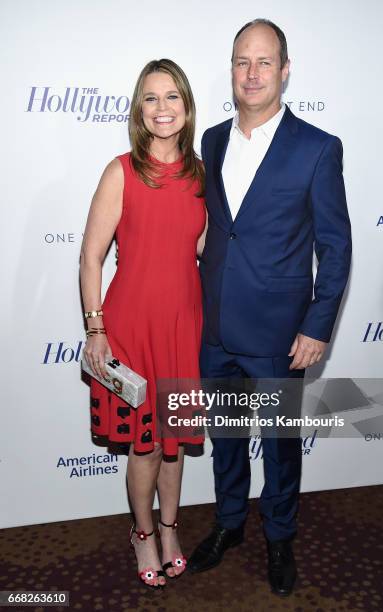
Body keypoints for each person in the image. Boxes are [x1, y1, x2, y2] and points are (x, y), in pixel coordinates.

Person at [188, 19, 352, 596]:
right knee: (227, 437)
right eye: (241, 62)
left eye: (264, 62)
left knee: (280, 446)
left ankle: (280, 537)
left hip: (282, 334)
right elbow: (216, 230)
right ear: (231, 70)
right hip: (216, 327)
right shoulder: (209, 140)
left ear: (284, 70)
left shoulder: (316, 147)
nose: (252, 73)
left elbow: (335, 247)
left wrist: (317, 325)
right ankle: (229, 524)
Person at [80, 59, 206, 589]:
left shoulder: (202, 175)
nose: (162, 108)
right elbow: (90, 259)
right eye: (151, 98)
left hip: (184, 326)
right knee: (147, 445)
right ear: (139, 108)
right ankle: (143, 533)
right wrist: (95, 329)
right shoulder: (120, 171)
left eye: (172, 96)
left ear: (186, 105)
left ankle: (171, 529)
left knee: (175, 440)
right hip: (132, 328)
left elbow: (201, 250)